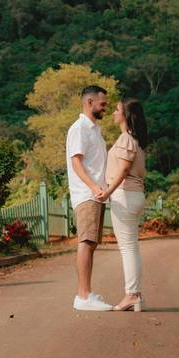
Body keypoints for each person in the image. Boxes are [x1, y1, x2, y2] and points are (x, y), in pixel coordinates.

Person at [66, 85, 114, 311]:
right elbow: (76, 162)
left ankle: (86, 293)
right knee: (85, 242)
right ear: (89, 103)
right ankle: (83, 296)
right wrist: (94, 187)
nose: (105, 107)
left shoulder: (95, 129)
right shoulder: (80, 128)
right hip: (87, 194)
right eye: (102, 104)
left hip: (96, 195)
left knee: (91, 244)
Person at [101, 98, 149, 312]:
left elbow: (122, 171)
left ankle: (132, 295)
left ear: (126, 116)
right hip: (133, 195)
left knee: (128, 248)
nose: (113, 112)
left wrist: (108, 192)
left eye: (117, 109)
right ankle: (136, 295)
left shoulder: (125, 139)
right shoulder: (134, 141)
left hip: (124, 196)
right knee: (132, 248)